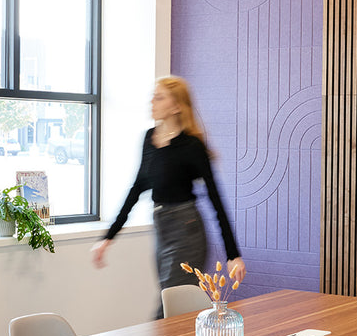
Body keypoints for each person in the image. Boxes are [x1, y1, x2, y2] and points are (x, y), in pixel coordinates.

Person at [91, 76, 246, 318]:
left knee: (168, 308)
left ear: (176, 106)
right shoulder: (149, 139)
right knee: (175, 304)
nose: (152, 101)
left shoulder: (191, 146)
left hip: (187, 230)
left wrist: (232, 254)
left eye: (159, 96)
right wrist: (108, 237)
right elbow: (137, 188)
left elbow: (216, 199)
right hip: (162, 228)